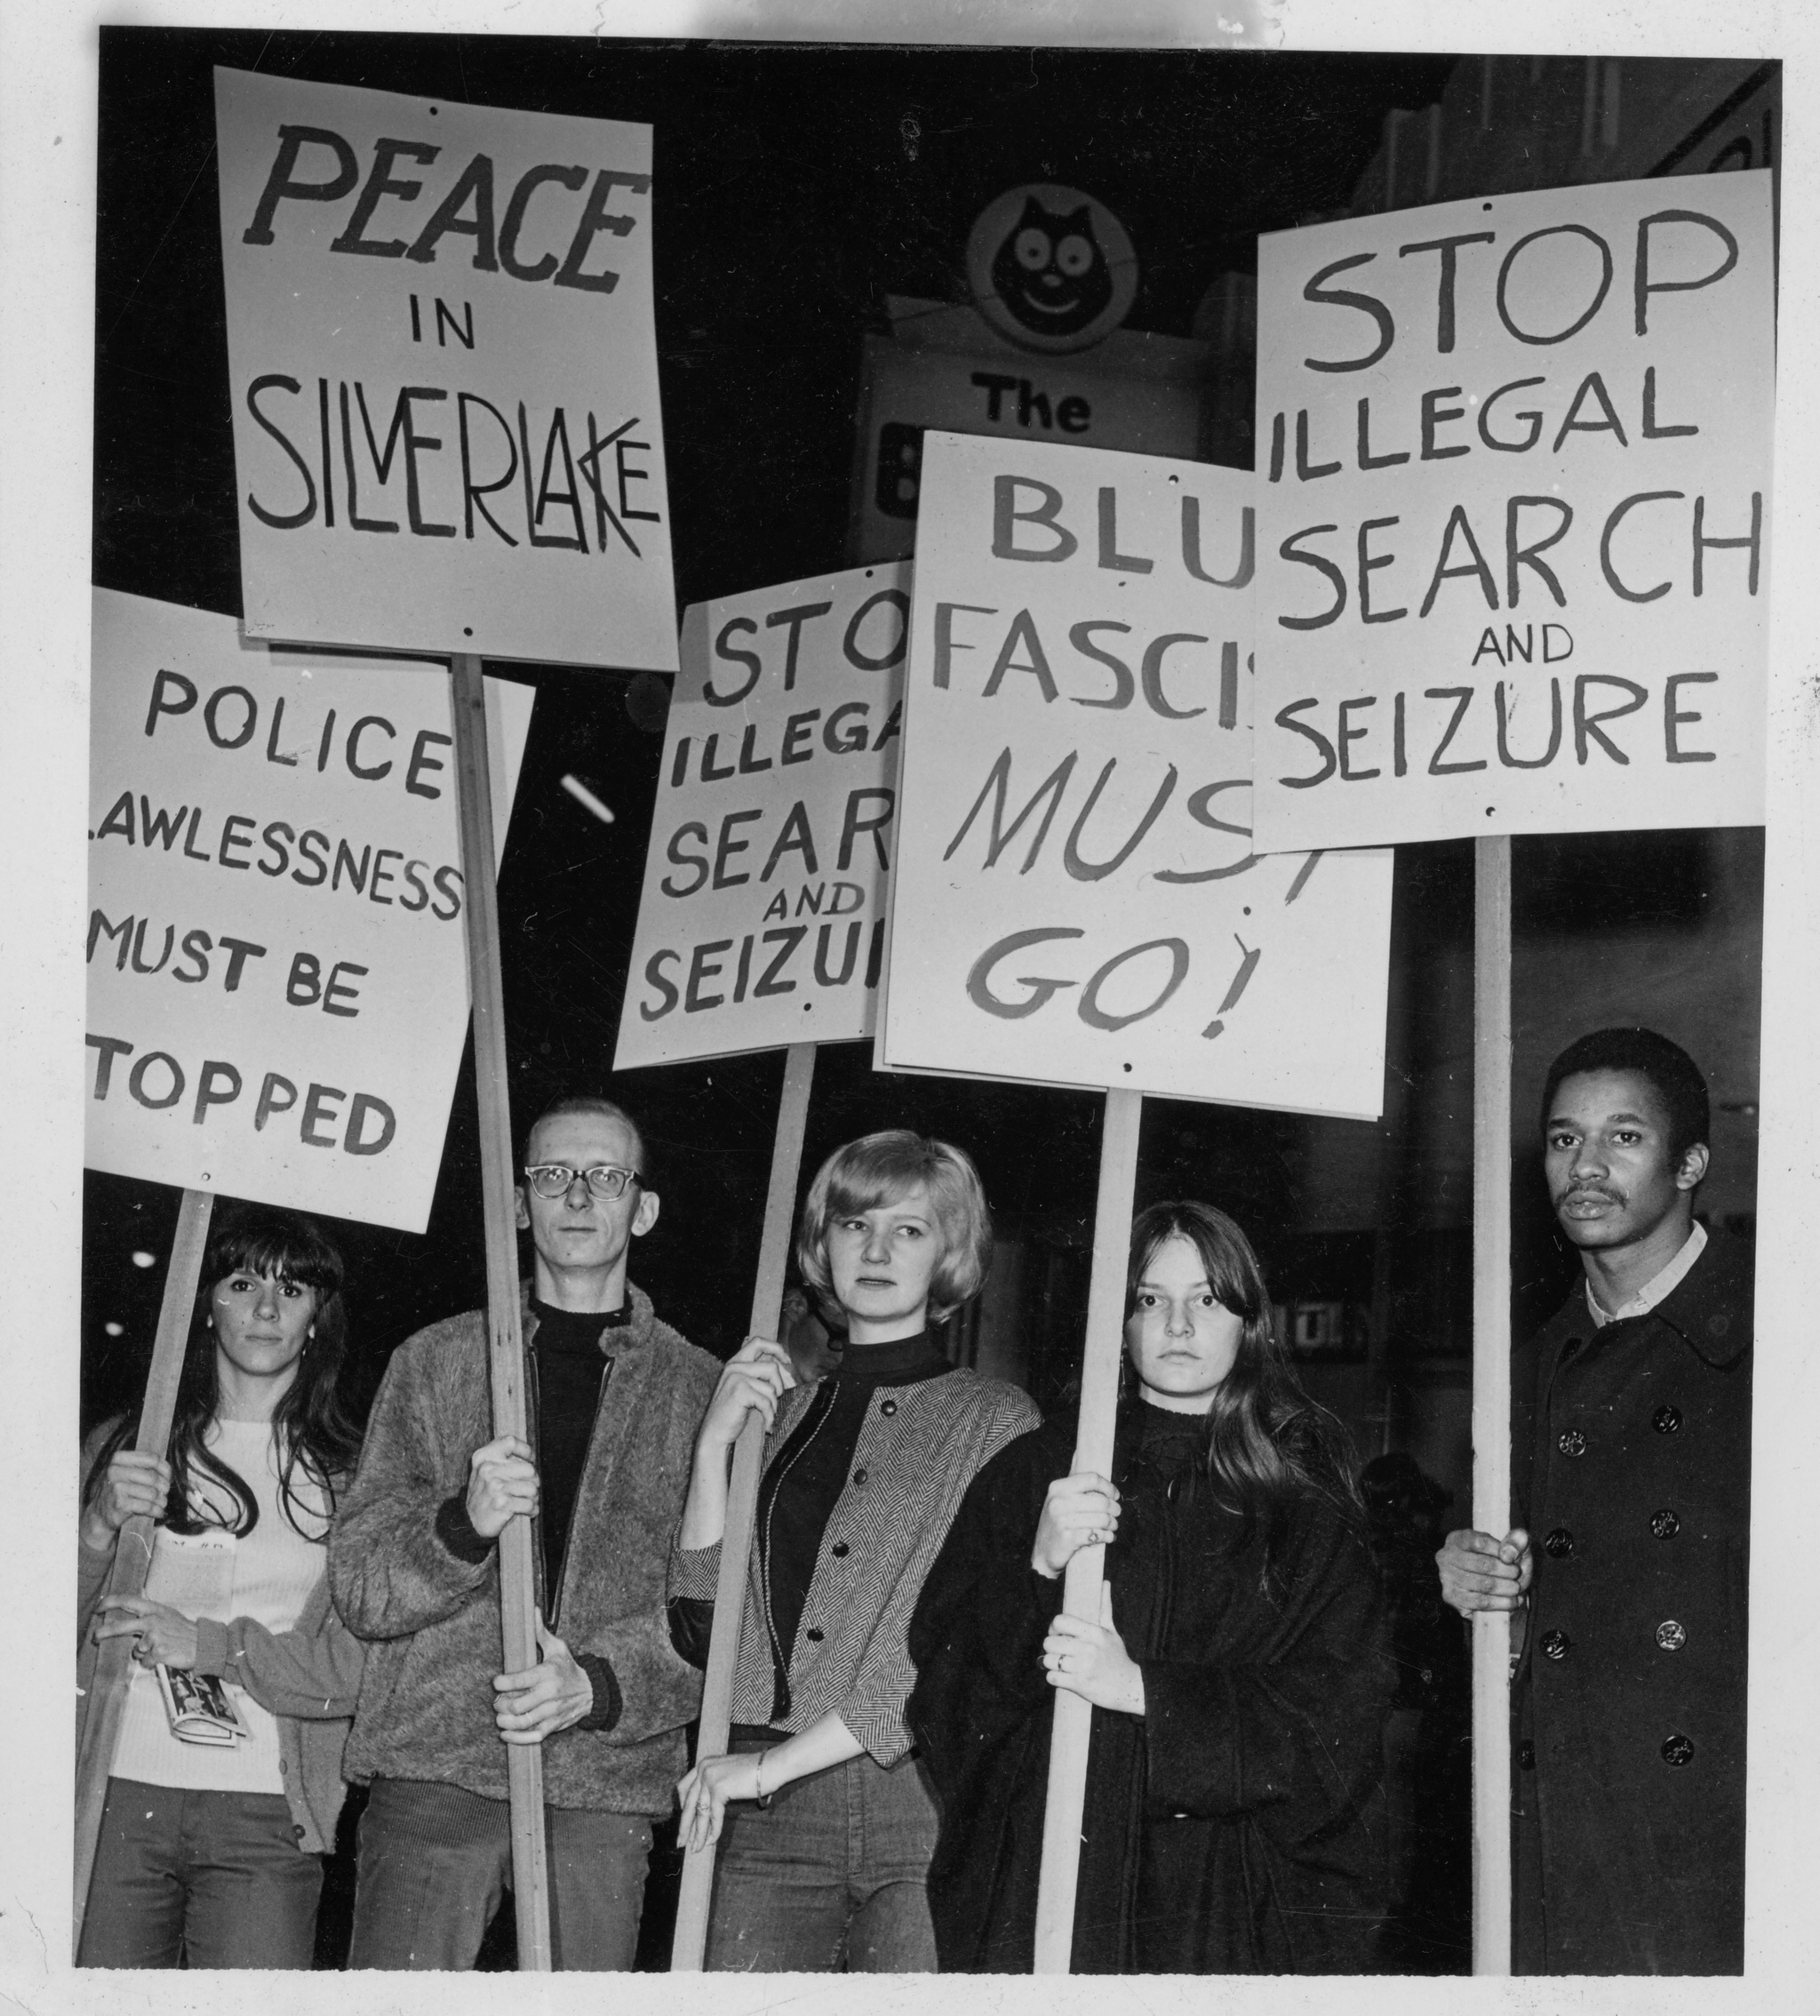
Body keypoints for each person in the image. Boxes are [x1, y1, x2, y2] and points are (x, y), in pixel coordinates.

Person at [908, 1200, 1393, 1974]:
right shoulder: (1039, 1470)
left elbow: (1339, 1717)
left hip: (1227, 1901)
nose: (1177, 1325)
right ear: (1120, 1321)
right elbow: (945, 1698)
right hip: (1059, 1879)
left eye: (1207, 1300)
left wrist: (1143, 1690)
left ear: (1249, 1323)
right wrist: (1037, 1571)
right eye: (1150, 1299)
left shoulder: (1302, 1500)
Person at [329, 1094, 720, 1970]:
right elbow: (360, 1589)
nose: (577, 1196)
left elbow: (720, 1613)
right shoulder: (435, 1362)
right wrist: (460, 1528)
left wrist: (599, 1686)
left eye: (606, 1176)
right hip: (434, 1766)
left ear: (643, 1209)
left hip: (601, 1783)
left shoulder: (700, 1391)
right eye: (552, 1175)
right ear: (516, 1203)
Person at [667, 1130, 1041, 1972]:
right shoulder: (778, 1415)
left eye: (907, 1229)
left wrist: (770, 1769)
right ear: (822, 1243)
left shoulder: (995, 1422)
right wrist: (713, 1448)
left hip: (915, 1801)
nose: (875, 1250)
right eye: (854, 1224)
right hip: (759, 1807)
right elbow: (700, 1625)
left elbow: (952, 1649)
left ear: (948, 1252)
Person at [1436, 1027, 1752, 1974]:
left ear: (1690, 1164)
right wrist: (1477, 1593)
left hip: (1730, 1835)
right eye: (1565, 1138)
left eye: (1624, 1137)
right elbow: (1508, 1629)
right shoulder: (1522, 1374)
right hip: (1570, 1830)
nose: (1586, 1165)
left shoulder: (1781, 1330)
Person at [76, 1206, 365, 1970]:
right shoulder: (125, 1448)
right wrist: (97, 1528)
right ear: (204, 1305)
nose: (266, 1308)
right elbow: (35, 1633)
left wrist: (208, 1647)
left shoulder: (355, 1478)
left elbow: (356, 1673)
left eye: (292, 1289)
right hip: (114, 1790)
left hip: (269, 1811)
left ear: (318, 1318)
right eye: (242, 1284)